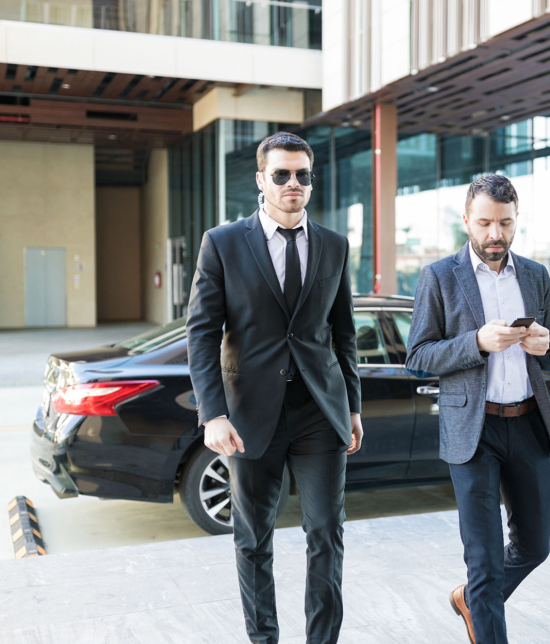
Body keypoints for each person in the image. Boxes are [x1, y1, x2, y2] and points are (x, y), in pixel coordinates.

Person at [186, 131, 362, 644]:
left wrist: (351, 406)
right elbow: (202, 333)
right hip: (248, 416)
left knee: (326, 532)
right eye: (281, 174)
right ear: (260, 180)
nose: (293, 183)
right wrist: (212, 413)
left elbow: (343, 332)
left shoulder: (333, 244)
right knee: (252, 539)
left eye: (302, 174)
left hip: (319, 412)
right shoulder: (222, 243)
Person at [404, 174, 550, 644]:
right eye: (486, 223)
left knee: (535, 546)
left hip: (528, 425)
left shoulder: (535, 274)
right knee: (485, 559)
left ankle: (472, 598)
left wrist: (547, 342)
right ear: (467, 221)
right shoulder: (438, 276)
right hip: (472, 432)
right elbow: (418, 357)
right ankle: (483, 602)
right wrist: (475, 342)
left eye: (506, 223)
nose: (496, 234)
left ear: (516, 220)